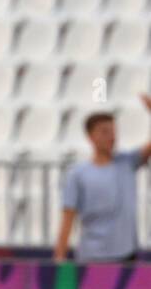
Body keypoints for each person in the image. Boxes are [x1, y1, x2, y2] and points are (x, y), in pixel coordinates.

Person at [54, 97, 151, 263]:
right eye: (105, 131)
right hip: (93, 258)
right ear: (90, 136)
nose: (111, 137)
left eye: (113, 131)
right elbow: (68, 218)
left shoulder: (127, 162)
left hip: (126, 256)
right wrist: (59, 257)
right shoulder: (78, 174)